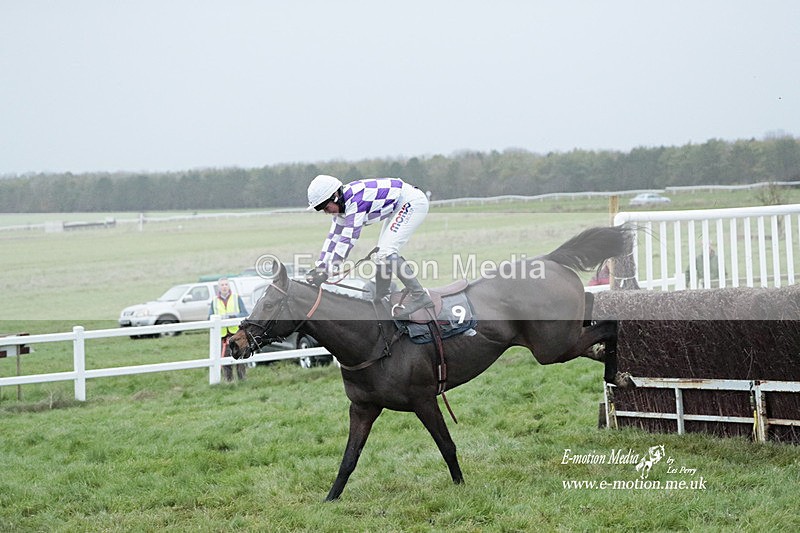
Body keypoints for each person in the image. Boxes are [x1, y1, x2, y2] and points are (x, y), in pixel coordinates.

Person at [305, 174, 433, 317]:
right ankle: (383, 297)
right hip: (399, 205)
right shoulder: (343, 205)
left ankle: (419, 295)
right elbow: (333, 238)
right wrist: (320, 267)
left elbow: (347, 240)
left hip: (412, 202)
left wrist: (328, 271)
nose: (327, 212)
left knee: (386, 252)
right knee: (380, 256)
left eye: (327, 207)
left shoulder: (355, 202)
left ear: (335, 196)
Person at [209, 277, 248, 382]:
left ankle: (242, 380)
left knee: (240, 357)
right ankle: (228, 381)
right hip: (222, 336)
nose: (224, 287)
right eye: (222, 285)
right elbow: (210, 317)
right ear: (219, 287)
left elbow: (245, 314)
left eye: (226, 284)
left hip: (236, 334)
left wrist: (233, 316)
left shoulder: (236, 298)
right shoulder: (214, 301)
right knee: (225, 359)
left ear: (229, 286)